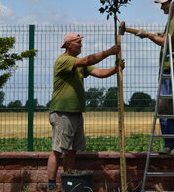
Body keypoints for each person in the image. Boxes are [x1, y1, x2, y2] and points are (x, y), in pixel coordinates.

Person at [47, 32, 123, 191]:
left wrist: (116, 69)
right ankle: (51, 185)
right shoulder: (64, 60)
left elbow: (99, 73)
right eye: (78, 42)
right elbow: (88, 59)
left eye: (81, 42)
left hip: (76, 112)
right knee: (58, 150)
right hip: (62, 112)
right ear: (68, 45)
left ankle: (67, 181)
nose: (81, 45)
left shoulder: (80, 64)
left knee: (72, 150)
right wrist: (109, 52)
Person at [135, 0, 174, 156]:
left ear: (172, 4)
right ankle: (169, 143)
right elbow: (165, 36)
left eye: (163, 4)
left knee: (172, 108)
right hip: (169, 68)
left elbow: (167, 41)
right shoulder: (173, 20)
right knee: (166, 108)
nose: (160, 7)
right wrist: (150, 34)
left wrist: (149, 36)